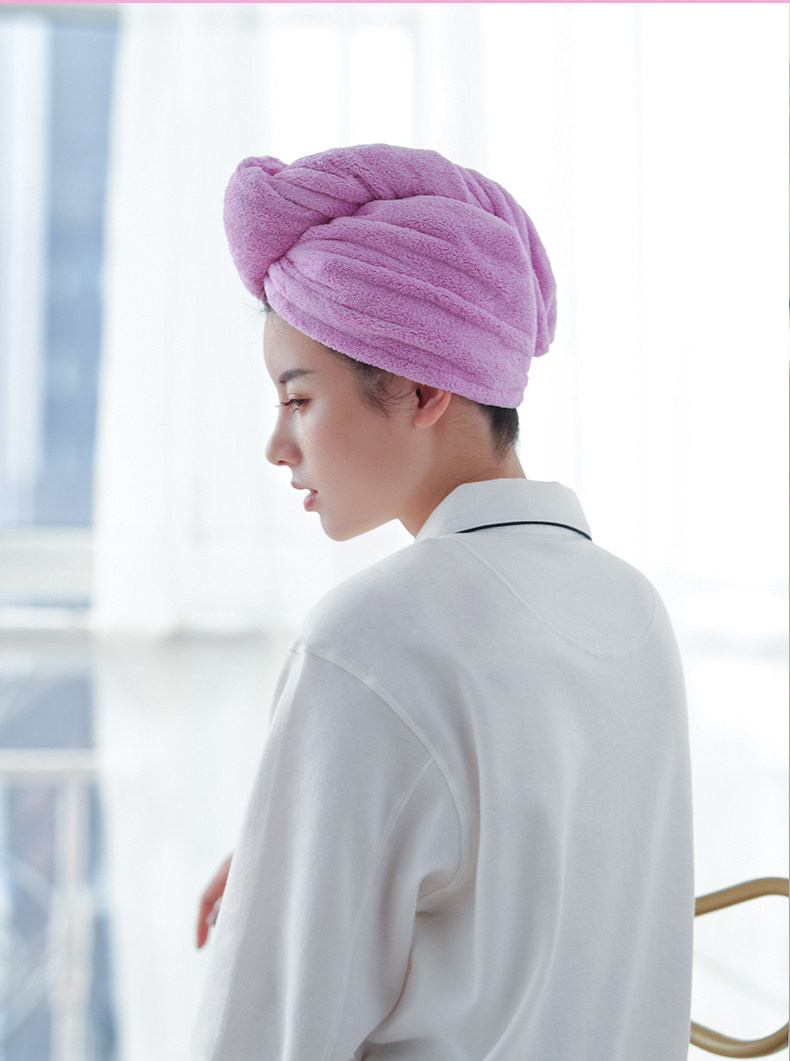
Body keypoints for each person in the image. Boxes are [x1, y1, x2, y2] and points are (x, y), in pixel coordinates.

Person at [193, 144, 694, 1060]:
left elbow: (262, 1040)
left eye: (298, 399)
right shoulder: (635, 613)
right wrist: (311, 853)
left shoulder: (371, 638)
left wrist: (287, 896)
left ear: (422, 388)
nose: (277, 445)